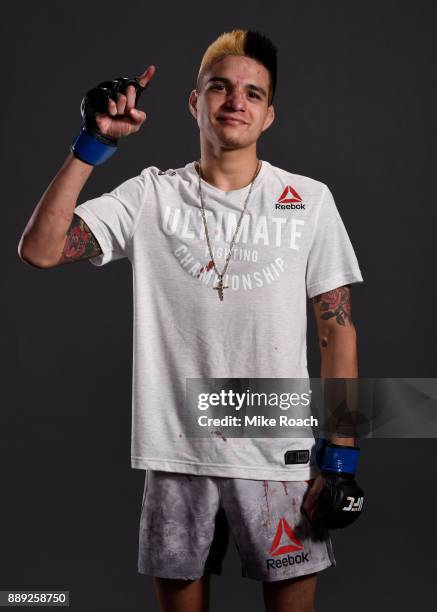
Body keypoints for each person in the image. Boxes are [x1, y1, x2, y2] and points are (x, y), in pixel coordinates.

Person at [18, 29, 364, 612]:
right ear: (193, 101)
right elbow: (41, 249)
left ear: (269, 114)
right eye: (220, 87)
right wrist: (91, 145)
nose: (236, 101)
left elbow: (336, 330)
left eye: (253, 93)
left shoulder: (308, 199)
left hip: (278, 452)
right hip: (176, 454)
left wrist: (342, 457)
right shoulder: (149, 196)